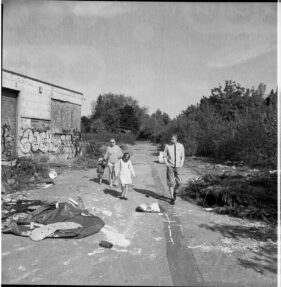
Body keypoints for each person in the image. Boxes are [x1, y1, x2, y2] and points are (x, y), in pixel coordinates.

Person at [163, 134, 185, 205]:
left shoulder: (181, 146)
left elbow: (183, 156)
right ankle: (172, 198)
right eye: (171, 139)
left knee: (179, 183)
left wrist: (181, 164)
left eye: (173, 139)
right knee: (171, 183)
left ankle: (175, 191)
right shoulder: (167, 146)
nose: (171, 140)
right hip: (170, 167)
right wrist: (167, 163)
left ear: (176, 139)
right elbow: (164, 155)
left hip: (178, 167)